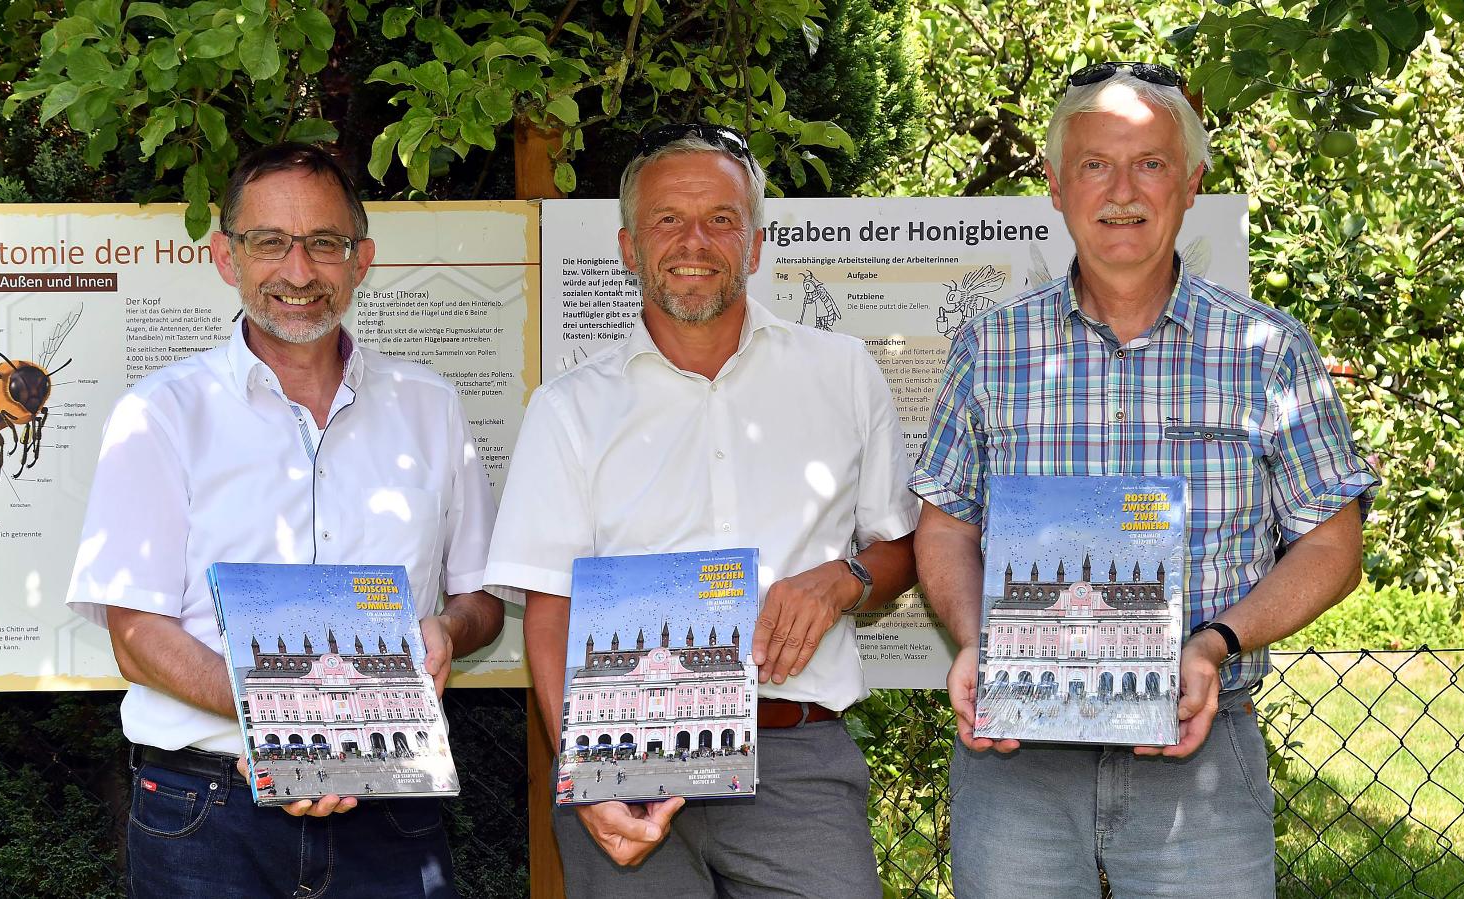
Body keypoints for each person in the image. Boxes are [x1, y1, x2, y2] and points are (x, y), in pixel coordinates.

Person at [910, 63, 1379, 898]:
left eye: (1150, 164)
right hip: (1017, 755)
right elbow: (945, 524)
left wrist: (1216, 641)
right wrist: (976, 640)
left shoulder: (1268, 352)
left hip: (1200, 742)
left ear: (1191, 184)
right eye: (1095, 163)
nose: (1122, 190)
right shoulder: (991, 348)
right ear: (1056, 186)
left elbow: (1334, 544)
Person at [485, 123, 918, 896]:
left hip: (796, 760)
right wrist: (585, 772)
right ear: (628, 248)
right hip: (625, 758)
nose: (695, 241)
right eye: (668, 220)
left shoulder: (842, 373)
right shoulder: (571, 409)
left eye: (721, 218)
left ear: (754, 245)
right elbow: (550, 612)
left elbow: (900, 546)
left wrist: (843, 580)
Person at [65, 142, 505, 899]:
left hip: (391, 811)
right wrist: (289, 722)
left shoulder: (430, 408)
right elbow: (135, 636)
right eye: (270, 241)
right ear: (225, 255)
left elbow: (482, 601)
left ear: (360, 259)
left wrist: (449, 630)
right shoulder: (161, 414)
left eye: (324, 244)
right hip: (207, 815)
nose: (298, 272)